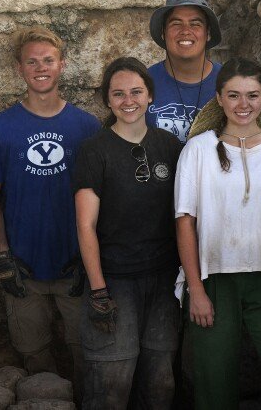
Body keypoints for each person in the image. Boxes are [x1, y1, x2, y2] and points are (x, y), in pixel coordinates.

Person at [175, 57, 261, 410]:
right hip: (214, 281)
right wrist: (195, 289)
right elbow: (185, 223)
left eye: (252, 95)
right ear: (220, 98)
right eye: (234, 95)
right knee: (213, 380)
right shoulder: (197, 151)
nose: (243, 105)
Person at [0, 26, 99, 399]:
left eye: (48, 60)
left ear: (62, 65)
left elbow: (99, 198)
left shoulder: (86, 126)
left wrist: (90, 262)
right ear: (19, 69)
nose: (40, 68)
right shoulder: (0, 128)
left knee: (86, 352)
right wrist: (2, 257)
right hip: (23, 267)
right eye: (32, 62)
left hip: (74, 265)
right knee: (34, 355)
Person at [73, 57, 182, 409]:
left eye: (136, 92)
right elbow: (85, 225)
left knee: (161, 382)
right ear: (107, 100)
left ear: (150, 96)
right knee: (111, 383)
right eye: (118, 94)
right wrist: (99, 289)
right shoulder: (95, 151)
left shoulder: (170, 147)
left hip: (164, 280)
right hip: (115, 280)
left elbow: (185, 217)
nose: (128, 100)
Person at [147, 0, 222, 143]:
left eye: (195, 24)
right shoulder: (144, 83)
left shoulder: (227, 82)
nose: (186, 31)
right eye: (176, 24)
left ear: (207, 33)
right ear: (163, 32)